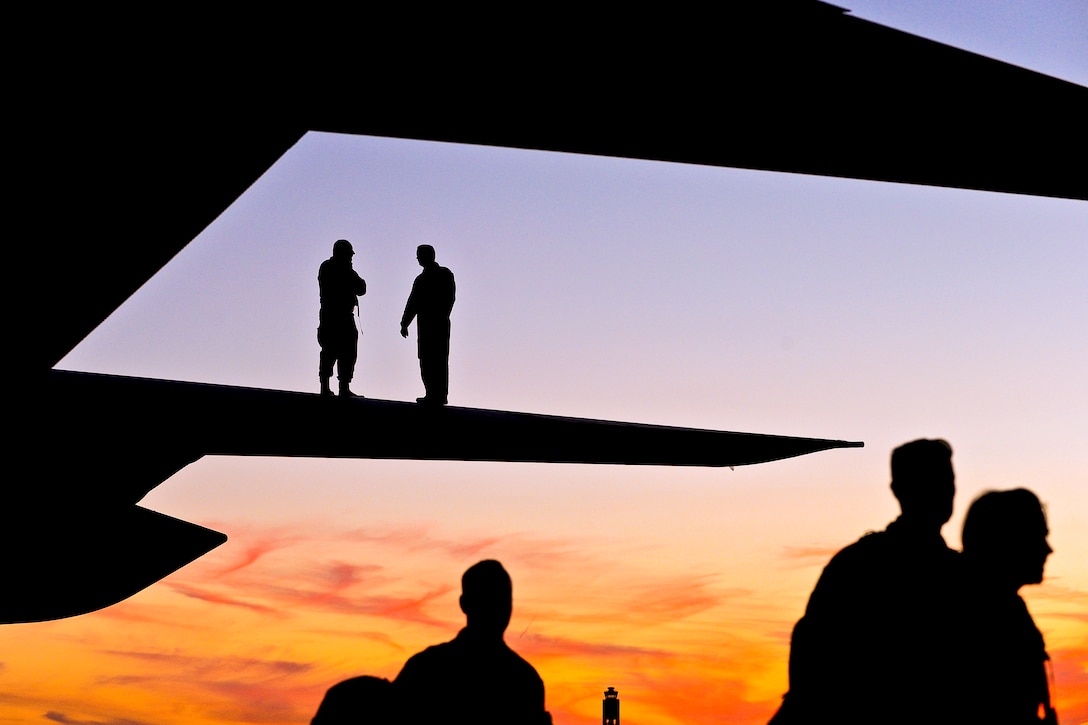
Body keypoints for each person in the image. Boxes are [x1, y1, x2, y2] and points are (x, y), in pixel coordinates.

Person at [769, 438, 960, 725]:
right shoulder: (857, 567)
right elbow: (814, 668)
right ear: (899, 490)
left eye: (948, 479)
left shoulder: (960, 573)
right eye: (931, 479)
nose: (944, 489)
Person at [392, 560, 551, 725]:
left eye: (502, 598)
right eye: (488, 597)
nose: (496, 606)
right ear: (465, 604)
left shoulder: (525, 680)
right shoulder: (425, 668)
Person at [958, 489, 1057, 724]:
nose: (1048, 549)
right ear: (1011, 540)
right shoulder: (986, 614)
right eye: (1038, 537)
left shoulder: (1006, 607)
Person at [400, 244, 455, 406]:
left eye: (419, 255)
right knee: (425, 359)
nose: (417, 258)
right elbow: (413, 303)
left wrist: (441, 316)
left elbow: (449, 298)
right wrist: (405, 323)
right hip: (424, 326)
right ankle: (430, 392)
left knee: (438, 359)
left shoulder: (444, 274)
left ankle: (439, 395)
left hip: (438, 325)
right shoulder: (420, 279)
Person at [318, 239, 367, 397]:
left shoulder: (341, 269)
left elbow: (362, 289)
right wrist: (349, 272)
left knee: (348, 351)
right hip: (333, 316)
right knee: (330, 351)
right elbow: (360, 287)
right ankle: (326, 387)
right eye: (348, 255)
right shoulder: (331, 268)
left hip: (343, 316)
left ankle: (343, 387)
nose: (351, 258)